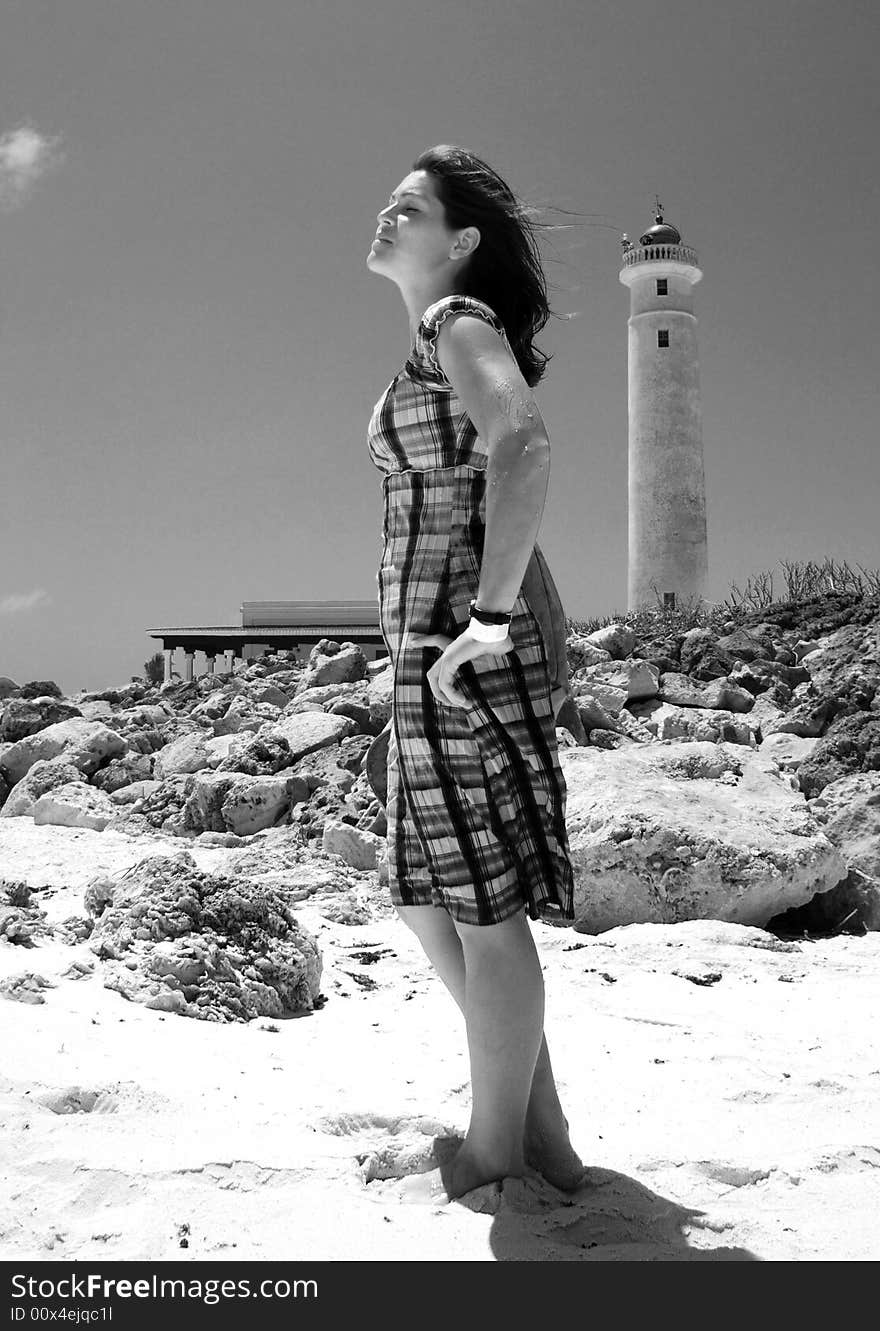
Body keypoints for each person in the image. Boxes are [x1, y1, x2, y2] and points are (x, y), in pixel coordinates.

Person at [365, 144, 583, 1202]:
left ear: (459, 242)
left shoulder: (458, 320)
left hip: (462, 640)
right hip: (428, 642)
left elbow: (524, 445)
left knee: (478, 902)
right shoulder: (436, 331)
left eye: (407, 207)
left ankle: (498, 1151)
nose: (383, 216)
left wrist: (487, 622)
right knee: (420, 888)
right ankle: (539, 1122)